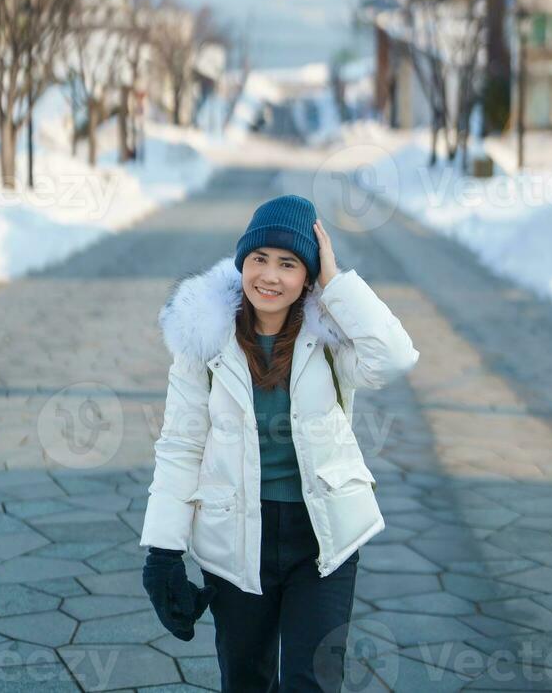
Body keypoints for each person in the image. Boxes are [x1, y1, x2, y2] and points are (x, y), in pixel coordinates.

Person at [141, 194, 420, 691]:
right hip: (235, 537)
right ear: (242, 262)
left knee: (311, 680)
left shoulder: (331, 336)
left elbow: (395, 356)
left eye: (288, 264)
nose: (270, 276)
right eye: (259, 259)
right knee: (246, 679)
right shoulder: (204, 339)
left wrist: (335, 283)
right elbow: (180, 445)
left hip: (324, 538)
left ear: (307, 275)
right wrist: (163, 552)